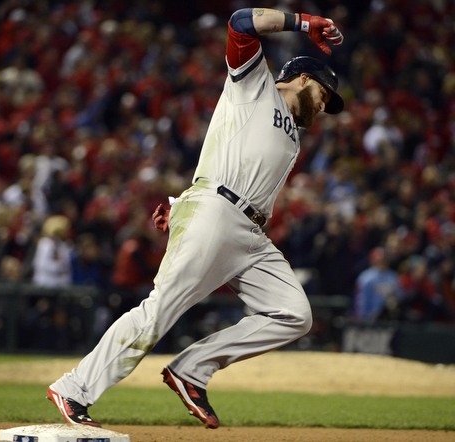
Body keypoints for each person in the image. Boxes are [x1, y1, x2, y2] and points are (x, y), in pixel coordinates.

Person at [46, 7, 344, 429]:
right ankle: (74, 388)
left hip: (249, 233)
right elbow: (241, 21)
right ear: (304, 78)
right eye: (324, 94)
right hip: (218, 212)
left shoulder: (294, 135)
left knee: (295, 313)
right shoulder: (253, 84)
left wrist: (184, 205)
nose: (325, 105)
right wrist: (301, 23)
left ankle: (192, 370)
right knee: (159, 311)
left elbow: (234, 160)